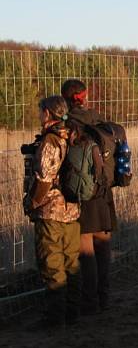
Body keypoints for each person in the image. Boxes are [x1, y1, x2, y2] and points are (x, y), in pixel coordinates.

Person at [23, 95, 81, 328]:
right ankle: (72, 313)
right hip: (72, 210)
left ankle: (54, 318)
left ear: (48, 113)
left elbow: (44, 178)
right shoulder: (73, 136)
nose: (39, 114)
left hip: (51, 212)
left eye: (40, 110)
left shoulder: (50, 140)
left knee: (52, 264)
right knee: (72, 263)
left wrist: (32, 202)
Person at [61, 79, 115, 315]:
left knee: (86, 251)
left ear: (68, 98)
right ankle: (104, 300)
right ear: (84, 96)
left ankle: (89, 304)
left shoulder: (69, 125)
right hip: (104, 193)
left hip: (83, 195)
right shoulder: (99, 119)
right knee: (103, 248)